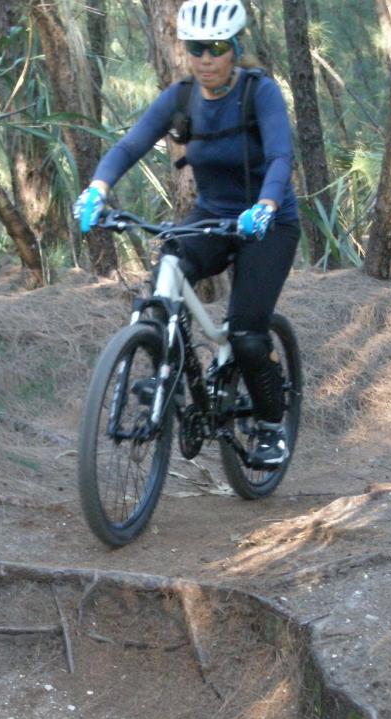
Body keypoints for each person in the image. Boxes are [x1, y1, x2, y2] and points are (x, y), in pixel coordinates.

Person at [72, 0, 301, 469]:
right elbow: (130, 144)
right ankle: (163, 368)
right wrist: (97, 189)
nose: (205, 58)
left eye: (216, 48)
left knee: (248, 335)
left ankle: (272, 427)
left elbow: (280, 155)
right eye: (195, 48)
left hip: (268, 222)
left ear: (235, 48)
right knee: (164, 278)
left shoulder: (260, 92)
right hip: (211, 216)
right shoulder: (180, 96)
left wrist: (267, 204)